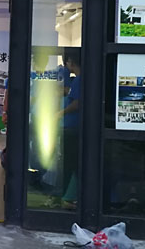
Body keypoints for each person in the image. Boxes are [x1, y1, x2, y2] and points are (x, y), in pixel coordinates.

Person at [58, 53, 81, 210]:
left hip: (72, 128)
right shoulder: (76, 80)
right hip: (71, 127)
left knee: (70, 164)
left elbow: (77, 104)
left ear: (71, 62)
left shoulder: (79, 80)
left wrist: (60, 113)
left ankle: (68, 198)